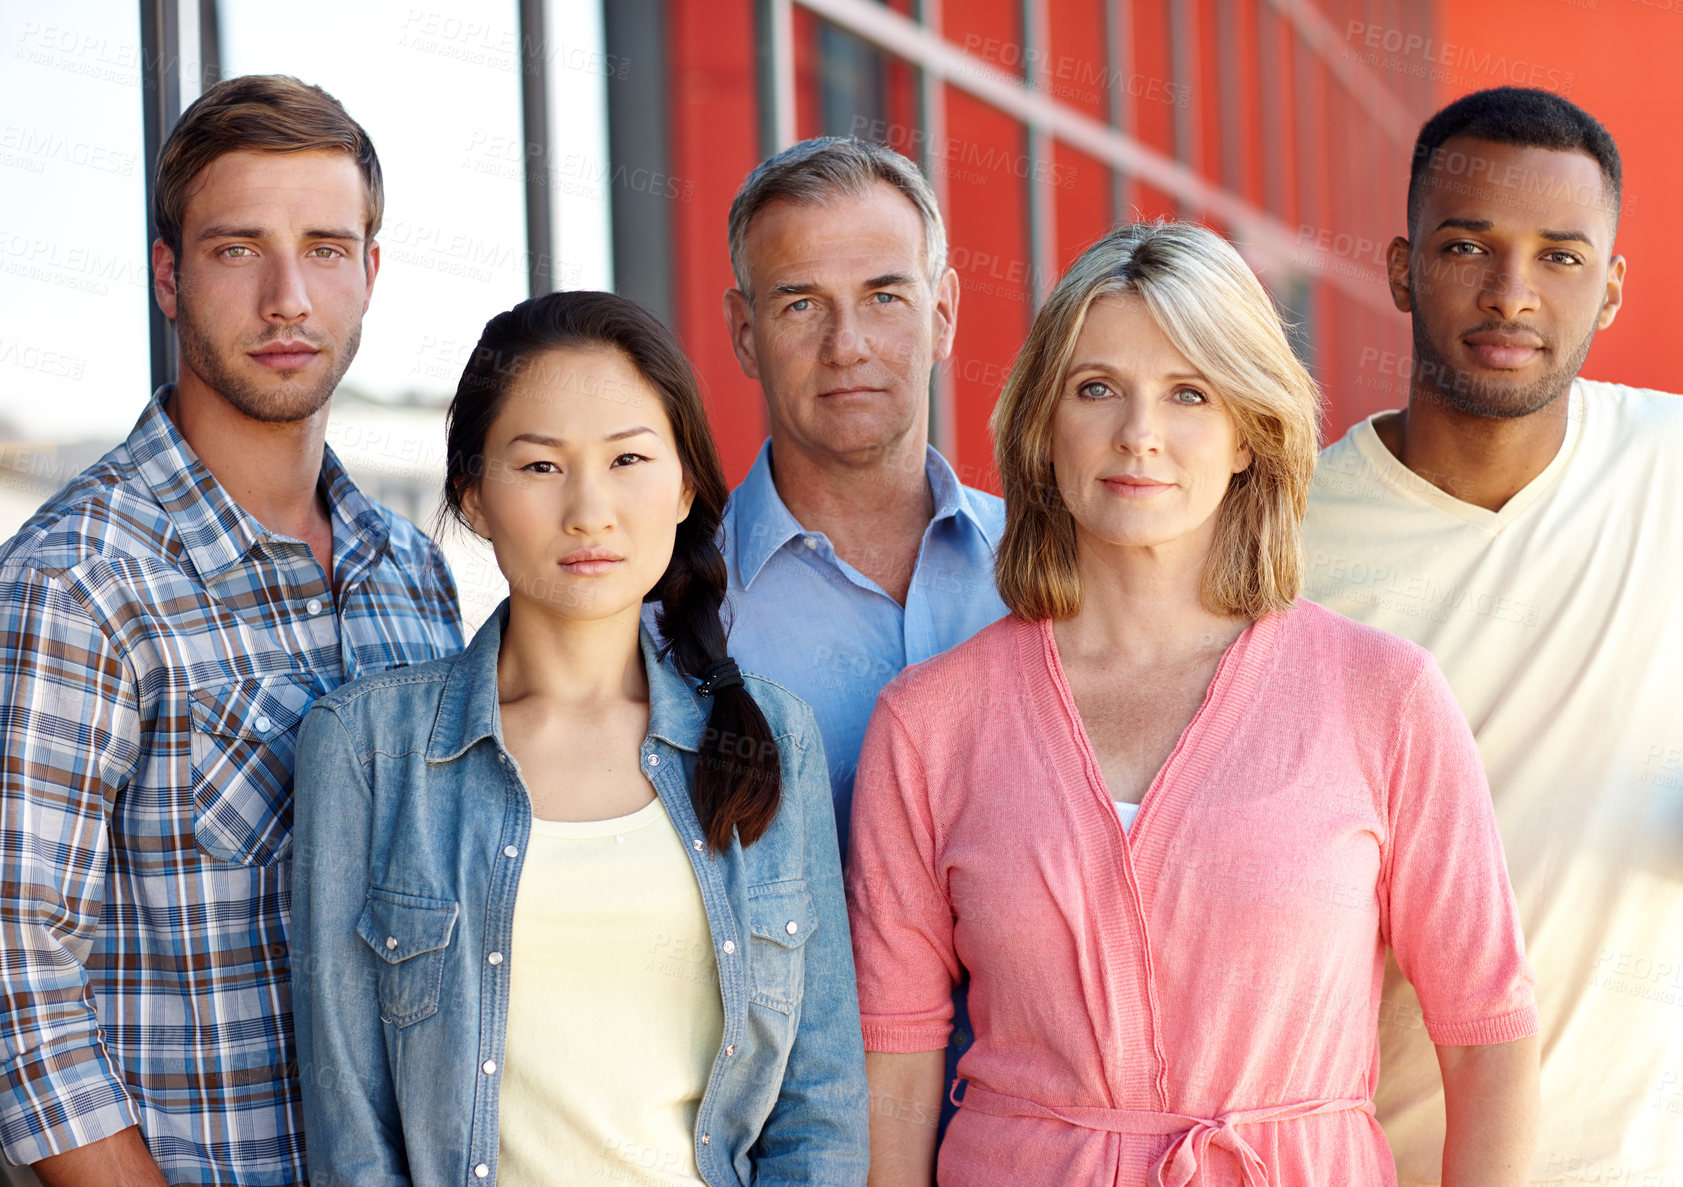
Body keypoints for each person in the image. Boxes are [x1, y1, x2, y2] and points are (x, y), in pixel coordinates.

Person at [847, 220, 1541, 1186]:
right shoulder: (926, 725)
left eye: (1189, 393)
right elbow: (898, 1057)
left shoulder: (1383, 699)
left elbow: (1485, 1037)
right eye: (1097, 390)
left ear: (1250, 433)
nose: (1140, 435)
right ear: (1046, 426)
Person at [291, 291, 868, 1187]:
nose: (589, 509)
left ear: (683, 486)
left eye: (629, 458)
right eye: (541, 466)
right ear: (474, 496)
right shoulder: (366, 750)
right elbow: (351, 1132)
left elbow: (820, 1108)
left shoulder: (767, 735)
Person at [0, 75, 462, 1186]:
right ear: (167, 275)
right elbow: (18, 980)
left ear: (371, 273)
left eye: (327, 247)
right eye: (236, 249)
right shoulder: (80, 580)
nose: (288, 296)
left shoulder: (415, 576)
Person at [1302, 87, 1683, 1183]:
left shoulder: (1667, 467)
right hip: (1397, 1156)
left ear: (1609, 290)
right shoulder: (1284, 543)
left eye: (1560, 258)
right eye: (1468, 244)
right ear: (1401, 266)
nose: (1512, 293)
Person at [717, 136, 1006, 861]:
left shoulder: (1054, 568)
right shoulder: (671, 607)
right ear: (744, 334)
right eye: (801, 304)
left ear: (942, 314)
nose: (845, 345)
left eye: (883, 297)